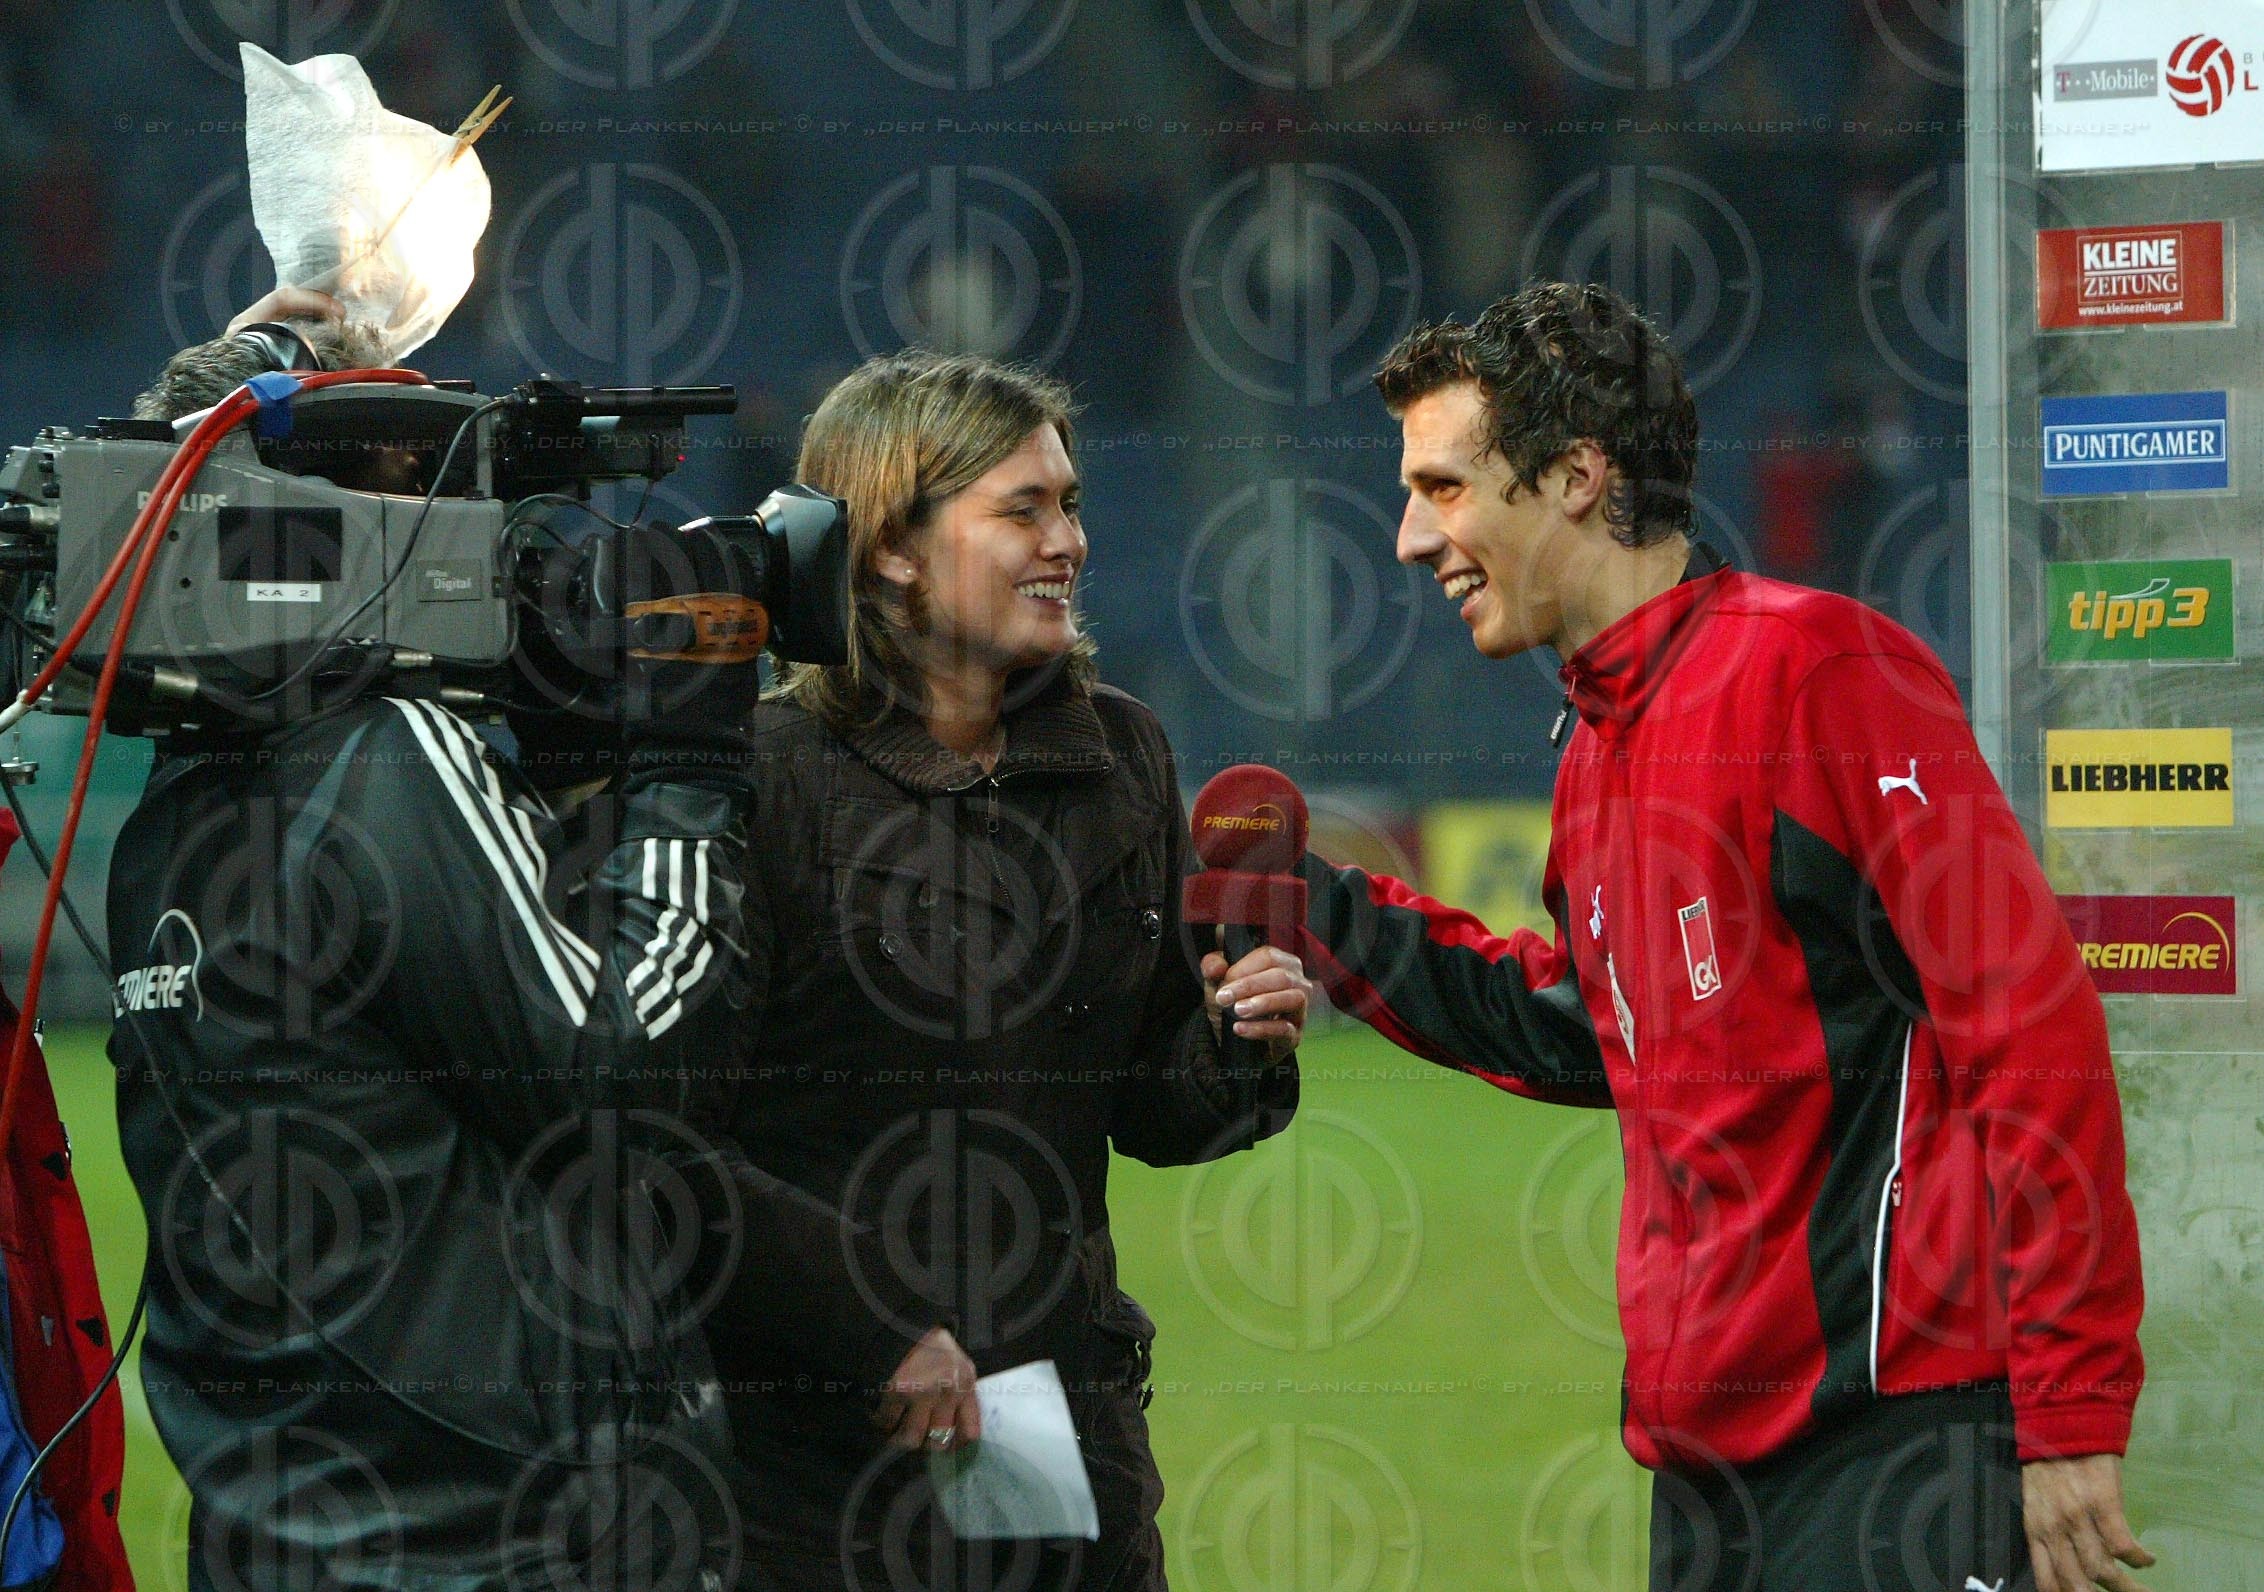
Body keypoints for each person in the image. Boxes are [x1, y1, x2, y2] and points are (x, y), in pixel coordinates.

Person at [1246, 282, 2150, 1592]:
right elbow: (1590, 1030)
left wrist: (2067, 1403)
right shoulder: (1596, 743)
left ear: (1575, 476)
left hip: (1895, 1444)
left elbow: (2029, 1028)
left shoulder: (1821, 674)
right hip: (1709, 1474)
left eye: (1442, 489)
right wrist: (1316, 907)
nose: (1407, 538)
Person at [105, 292, 954, 1591]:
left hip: (288, 1536)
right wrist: (685, 757)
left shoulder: (169, 815)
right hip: (500, 1539)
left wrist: (569, 769)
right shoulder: (390, 751)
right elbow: (624, 1072)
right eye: (423, 476)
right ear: (337, 519)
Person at [703, 350, 1310, 1592]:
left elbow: (1151, 1109)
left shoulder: (1121, 754)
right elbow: (667, 1142)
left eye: (1069, 503)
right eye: (1020, 509)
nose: (1067, 542)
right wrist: (872, 1333)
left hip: (1061, 1429)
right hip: (799, 1462)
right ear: (890, 547)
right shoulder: (755, 776)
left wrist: (1234, 1044)